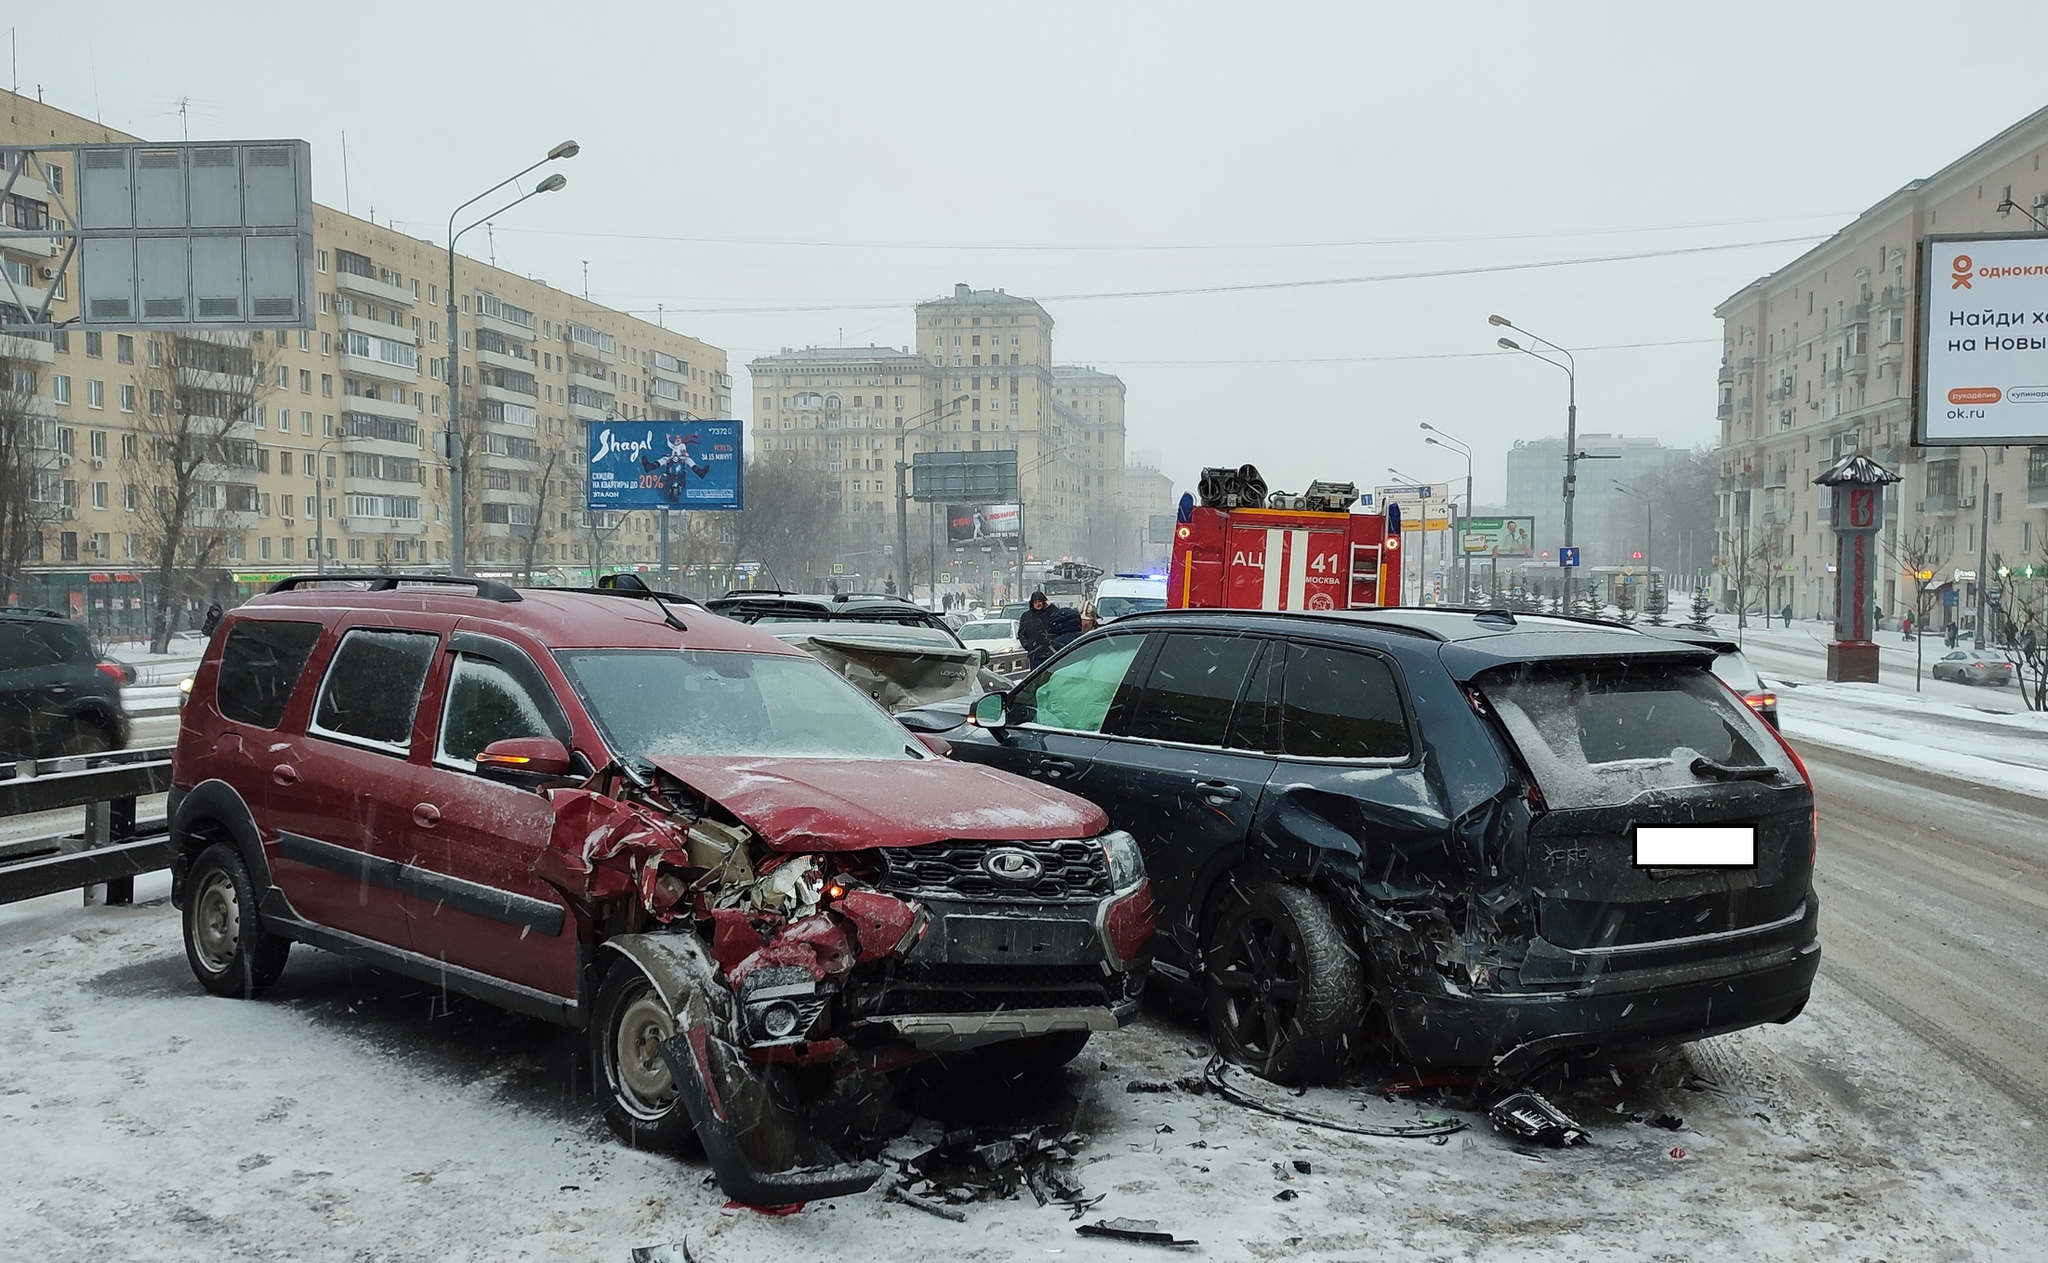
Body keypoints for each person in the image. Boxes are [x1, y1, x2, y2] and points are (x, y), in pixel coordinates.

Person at [1017, 591, 1056, 668]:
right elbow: (1021, 633)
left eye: (1040, 601)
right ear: (1032, 603)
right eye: (1035, 602)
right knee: (1036, 677)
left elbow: (1061, 616)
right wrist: (1027, 645)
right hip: (1034, 654)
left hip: (1051, 652)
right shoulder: (1026, 617)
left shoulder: (1051, 614)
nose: (1038, 604)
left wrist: (1050, 605)